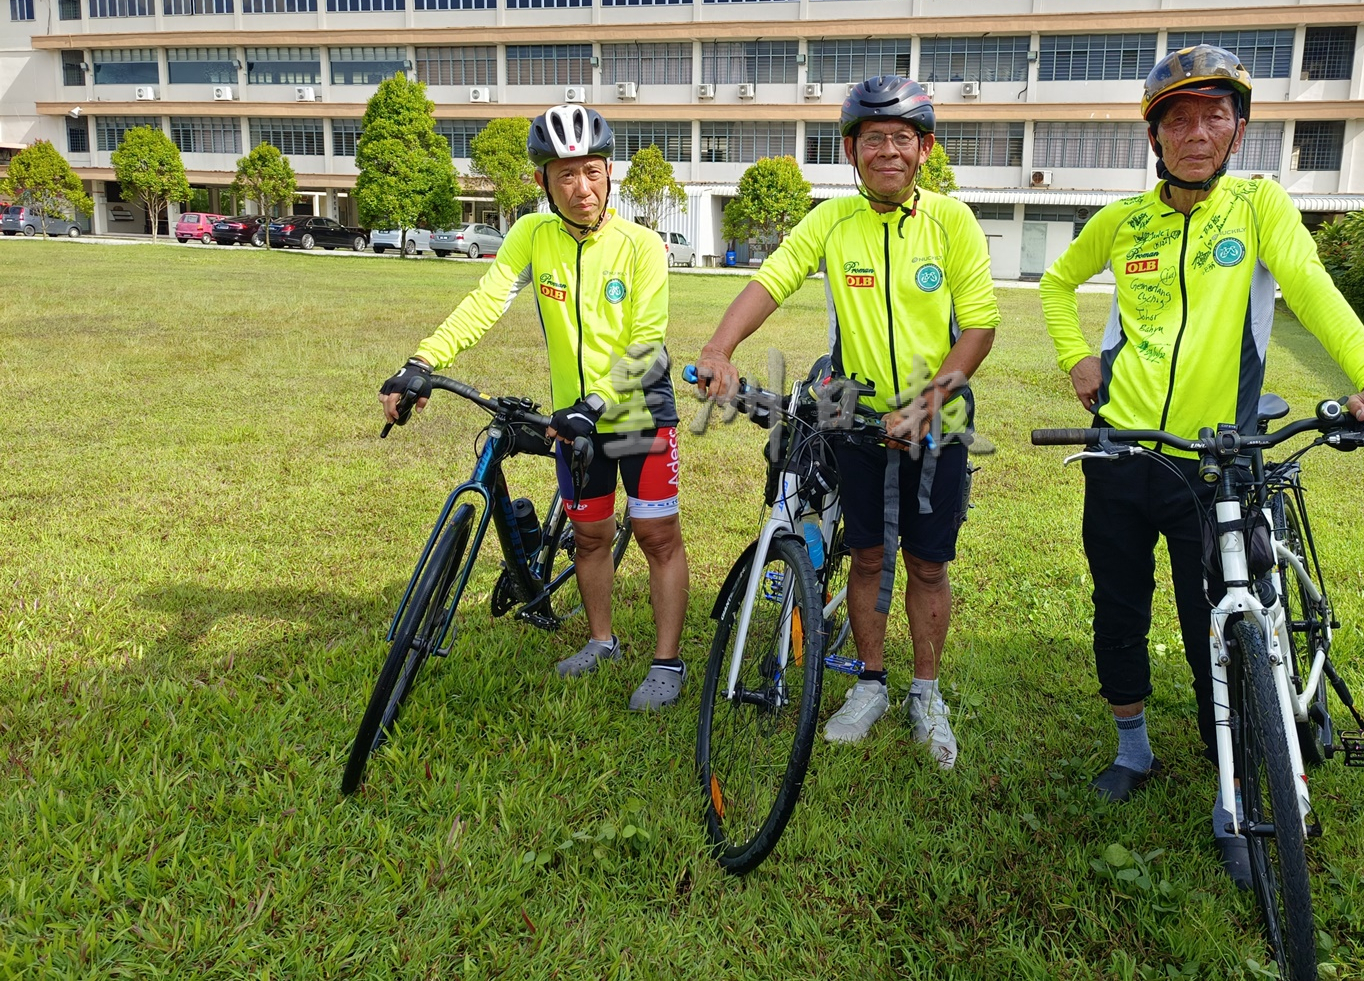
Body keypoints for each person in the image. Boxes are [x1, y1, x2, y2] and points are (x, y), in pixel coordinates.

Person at [1037, 45, 1364, 883]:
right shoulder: (1124, 221)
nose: (1195, 131)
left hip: (1217, 463)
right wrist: (1078, 358)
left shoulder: (1258, 208)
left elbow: (1311, 284)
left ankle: (1233, 790)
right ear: (1154, 135)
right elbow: (1055, 283)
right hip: (1121, 451)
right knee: (1118, 610)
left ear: (1239, 129)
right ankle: (1134, 748)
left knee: (1212, 630)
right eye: (1176, 117)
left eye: (1213, 115)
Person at [696, 75, 999, 770]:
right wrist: (720, 346)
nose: (887, 151)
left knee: (926, 563)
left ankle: (925, 692)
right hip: (856, 422)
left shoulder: (952, 222)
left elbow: (979, 329)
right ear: (851, 149)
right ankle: (868, 684)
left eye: (902, 138)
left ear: (924, 148)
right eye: (872, 139)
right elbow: (771, 279)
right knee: (865, 555)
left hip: (939, 421)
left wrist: (925, 404)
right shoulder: (832, 221)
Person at [378, 104, 689, 711]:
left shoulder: (642, 246)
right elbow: (485, 301)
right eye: (566, 175)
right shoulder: (531, 236)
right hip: (572, 416)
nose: (583, 188)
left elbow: (647, 341)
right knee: (590, 536)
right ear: (544, 182)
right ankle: (602, 642)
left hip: (637, 412)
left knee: (655, 535)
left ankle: (667, 661)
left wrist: (597, 403)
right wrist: (422, 361)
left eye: (593, 172)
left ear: (610, 173)